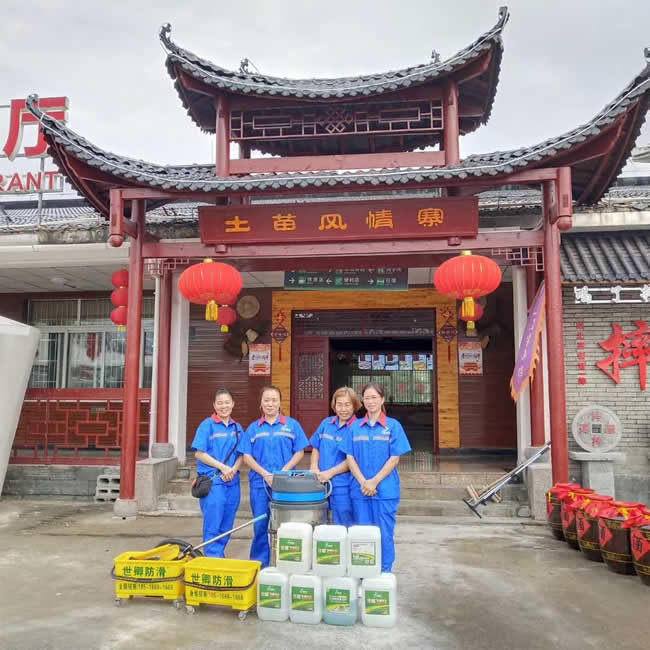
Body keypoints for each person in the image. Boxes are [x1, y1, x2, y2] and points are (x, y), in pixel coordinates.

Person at [340, 382, 412, 572]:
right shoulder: (354, 427)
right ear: (362, 401)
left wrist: (374, 481)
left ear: (382, 399)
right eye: (367, 398)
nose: (370, 401)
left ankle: (384, 573)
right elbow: (349, 457)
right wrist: (364, 482)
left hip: (385, 491)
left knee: (384, 534)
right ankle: (364, 573)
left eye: (374, 397)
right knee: (362, 535)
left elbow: (394, 458)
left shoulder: (393, 426)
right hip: (360, 490)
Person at [239, 385, 309, 567]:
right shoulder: (253, 428)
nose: (270, 404)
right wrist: (265, 474)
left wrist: (281, 472)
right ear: (261, 403)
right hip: (260, 483)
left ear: (280, 403)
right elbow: (246, 456)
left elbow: (300, 451)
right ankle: (260, 564)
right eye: (266, 400)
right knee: (260, 525)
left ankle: (287, 563)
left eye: (274, 400)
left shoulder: (292, 425)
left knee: (287, 525)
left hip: (286, 483)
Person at [190, 388, 243, 558]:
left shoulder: (237, 428)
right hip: (214, 482)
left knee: (227, 524)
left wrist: (232, 470)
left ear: (233, 404)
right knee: (213, 524)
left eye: (227, 402)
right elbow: (199, 453)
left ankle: (218, 555)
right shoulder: (207, 425)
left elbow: (242, 454)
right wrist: (223, 468)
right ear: (214, 405)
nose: (224, 406)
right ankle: (213, 558)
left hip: (232, 481)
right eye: (220, 403)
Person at [309, 386, 361, 527]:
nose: (343, 409)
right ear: (334, 405)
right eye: (339, 405)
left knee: (343, 522)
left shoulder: (358, 428)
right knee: (318, 522)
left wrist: (330, 473)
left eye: (347, 405)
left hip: (343, 484)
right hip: (320, 481)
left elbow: (352, 459)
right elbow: (316, 447)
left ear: (354, 405)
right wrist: (314, 467)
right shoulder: (326, 423)